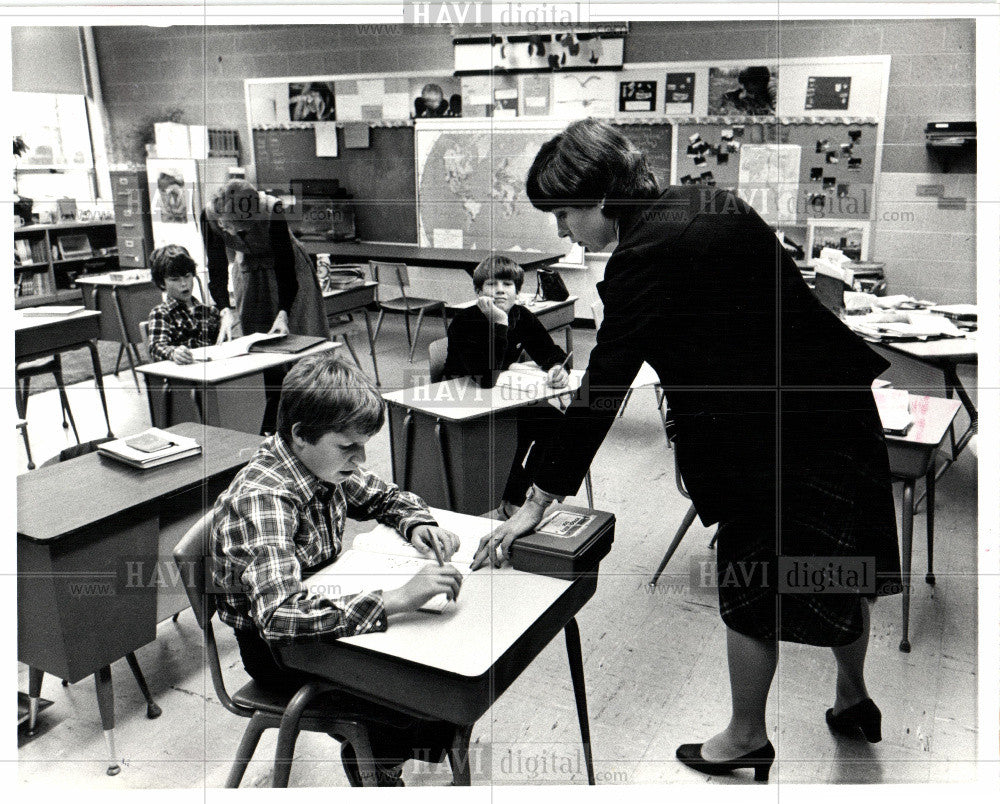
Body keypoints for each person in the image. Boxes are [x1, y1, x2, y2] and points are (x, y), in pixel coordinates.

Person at [472, 118, 900, 782]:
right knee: (840, 565)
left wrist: (537, 497)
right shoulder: (710, 200)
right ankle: (852, 698)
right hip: (834, 412)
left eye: (565, 212)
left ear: (604, 197)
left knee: (749, 587)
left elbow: (604, 383)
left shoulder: (644, 254)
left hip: (770, 441)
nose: (562, 230)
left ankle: (745, 736)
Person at [212, 354, 464, 786]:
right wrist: (396, 598)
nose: (361, 459)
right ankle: (376, 760)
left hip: (319, 613)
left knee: (446, 672)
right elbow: (278, 617)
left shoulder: (323, 464)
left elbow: (385, 497)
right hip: (275, 650)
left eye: (364, 445)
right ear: (300, 436)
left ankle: (387, 753)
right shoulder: (264, 497)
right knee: (418, 688)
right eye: (349, 446)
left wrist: (418, 522)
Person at [442, 255, 570, 519]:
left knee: (560, 425)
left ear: (517, 291)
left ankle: (530, 493)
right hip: (464, 402)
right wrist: (499, 323)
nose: (500, 289)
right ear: (478, 291)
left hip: (503, 397)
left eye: (508, 284)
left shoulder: (522, 316)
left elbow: (551, 352)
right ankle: (516, 497)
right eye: (491, 284)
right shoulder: (465, 321)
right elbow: (486, 378)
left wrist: (558, 368)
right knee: (507, 434)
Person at [201, 178, 329, 432]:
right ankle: (271, 414)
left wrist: (283, 313)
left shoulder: (272, 210)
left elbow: (285, 268)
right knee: (256, 341)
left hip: (289, 271)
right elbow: (215, 266)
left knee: (299, 335)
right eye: (226, 227)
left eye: (239, 228)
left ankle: (310, 410)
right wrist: (224, 309)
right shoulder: (208, 216)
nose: (232, 233)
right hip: (249, 269)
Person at [146, 244, 221, 364]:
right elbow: (156, 346)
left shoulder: (210, 312)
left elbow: (222, 347)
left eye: (187, 276)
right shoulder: (162, 313)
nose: (184, 284)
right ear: (162, 283)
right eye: (175, 279)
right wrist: (173, 353)